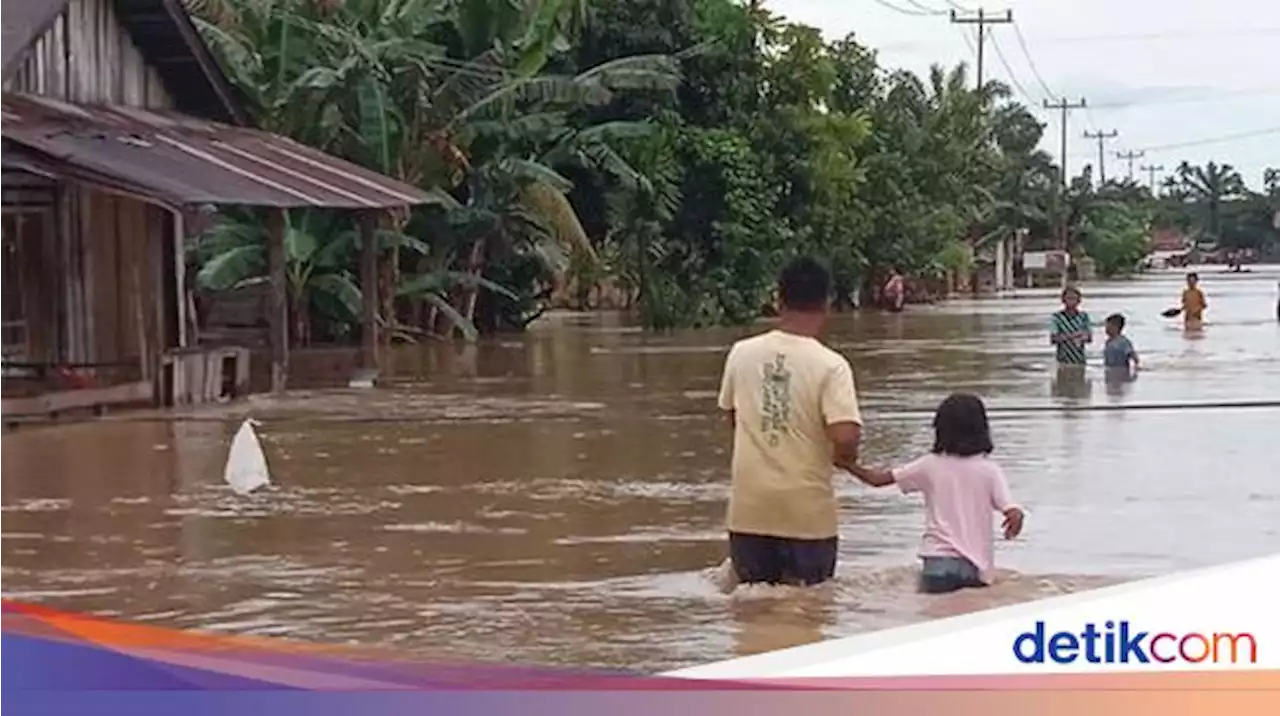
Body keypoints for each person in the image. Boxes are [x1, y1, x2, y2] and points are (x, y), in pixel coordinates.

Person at [717, 256, 862, 586]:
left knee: (751, 613)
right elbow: (845, 434)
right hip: (807, 516)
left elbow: (733, 417)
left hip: (749, 511)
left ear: (778, 300)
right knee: (807, 611)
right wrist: (846, 459)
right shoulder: (831, 365)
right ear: (827, 304)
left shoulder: (740, 353)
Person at [844, 393, 1025, 593]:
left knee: (934, 619)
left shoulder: (929, 465)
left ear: (940, 429)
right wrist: (1015, 517)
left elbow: (877, 480)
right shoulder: (989, 470)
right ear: (982, 429)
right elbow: (1010, 508)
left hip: (937, 562)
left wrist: (846, 464)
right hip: (974, 566)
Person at [1049, 286, 1091, 368]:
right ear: (1063, 300)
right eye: (1069, 298)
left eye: (1074, 298)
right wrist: (1074, 335)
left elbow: (1089, 337)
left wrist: (1082, 337)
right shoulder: (1057, 317)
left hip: (1080, 360)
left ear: (1079, 301)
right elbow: (1053, 338)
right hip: (1063, 360)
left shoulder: (1083, 316)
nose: (1071, 301)